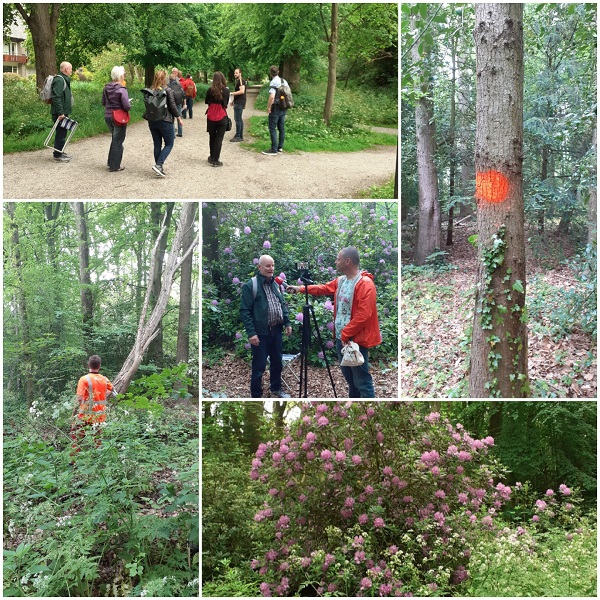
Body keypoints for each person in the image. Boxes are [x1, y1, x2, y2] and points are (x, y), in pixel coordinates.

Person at [287, 247, 381, 398]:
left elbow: (363, 314)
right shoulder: (341, 281)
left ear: (348, 261)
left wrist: (346, 334)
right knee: (350, 380)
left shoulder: (365, 284)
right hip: (341, 339)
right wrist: (300, 288)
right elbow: (323, 288)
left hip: (356, 340)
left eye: (338, 259)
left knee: (362, 381)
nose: (335, 262)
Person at [240, 255, 293, 398]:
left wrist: (287, 322)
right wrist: (251, 333)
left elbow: (281, 305)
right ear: (259, 267)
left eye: (272, 265)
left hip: (276, 331)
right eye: (267, 266)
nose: (271, 268)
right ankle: (256, 395)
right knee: (259, 367)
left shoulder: (276, 284)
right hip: (260, 333)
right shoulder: (251, 285)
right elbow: (244, 311)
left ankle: (276, 388)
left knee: (277, 363)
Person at [71, 355, 117, 454]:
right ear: (99, 366)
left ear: (89, 365)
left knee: (77, 437)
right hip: (99, 415)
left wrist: (75, 411)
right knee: (98, 440)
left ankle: (73, 461)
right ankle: (98, 459)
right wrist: (103, 396)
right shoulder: (105, 379)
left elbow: (79, 398)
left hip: (85, 415)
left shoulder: (84, 379)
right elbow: (113, 390)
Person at [144, 69, 183, 177]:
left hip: (152, 121)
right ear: (164, 78)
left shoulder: (149, 91)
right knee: (169, 143)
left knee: (157, 144)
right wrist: (179, 118)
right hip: (165, 121)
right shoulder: (168, 90)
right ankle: (159, 165)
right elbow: (173, 106)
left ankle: (158, 168)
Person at [101, 65, 131, 172]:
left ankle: (111, 162)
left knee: (115, 139)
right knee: (118, 141)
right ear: (121, 76)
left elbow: (103, 102)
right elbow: (126, 106)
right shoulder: (122, 89)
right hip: (118, 117)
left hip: (108, 116)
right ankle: (115, 165)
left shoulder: (106, 87)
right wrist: (129, 105)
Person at [50, 61, 74, 162]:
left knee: (62, 132)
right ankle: (57, 155)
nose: (71, 71)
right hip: (60, 113)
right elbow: (56, 97)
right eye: (71, 69)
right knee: (61, 133)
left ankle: (59, 151)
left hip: (62, 112)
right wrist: (60, 113)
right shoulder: (60, 80)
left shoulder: (63, 79)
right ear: (66, 69)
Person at [205, 72, 230, 167]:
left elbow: (206, 101)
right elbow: (226, 104)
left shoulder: (210, 90)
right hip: (221, 116)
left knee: (212, 137)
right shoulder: (226, 90)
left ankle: (211, 157)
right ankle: (216, 160)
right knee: (219, 139)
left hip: (211, 116)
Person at [262, 65, 288, 156]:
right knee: (281, 127)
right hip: (284, 107)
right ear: (278, 72)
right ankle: (280, 147)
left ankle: (273, 149)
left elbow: (272, 96)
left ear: (270, 73)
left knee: (272, 127)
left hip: (276, 108)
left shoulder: (273, 82)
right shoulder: (284, 81)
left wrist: (269, 107)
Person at [229, 67, 247, 142]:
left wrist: (231, 93)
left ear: (240, 73)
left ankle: (238, 136)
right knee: (239, 119)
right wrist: (233, 100)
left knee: (238, 119)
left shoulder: (241, 81)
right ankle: (240, 135)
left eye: (236, 73)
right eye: (234, 73)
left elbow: (242, 91)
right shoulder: (238, 81)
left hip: (239, 102)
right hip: (238, 101)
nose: (235, 74)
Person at [168, 72, 186, 137]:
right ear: (175, 79)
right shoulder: (179, 86)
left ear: (169, 79)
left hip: (171, 104)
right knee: (179, 117)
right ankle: (180, 132)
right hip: (179, 103)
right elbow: (184, 95)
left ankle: (173, 134)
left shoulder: (168, 86)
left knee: (172, 118)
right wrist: (184, 104)